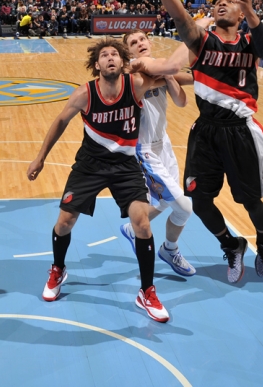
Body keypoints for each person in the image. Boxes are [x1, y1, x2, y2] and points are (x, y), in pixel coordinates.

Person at [142, 0, 263, 283]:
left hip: (241, 131)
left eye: (230, 1)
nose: (222, 3)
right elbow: (181, 19)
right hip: (205, 132)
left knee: (250, 201)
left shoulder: (249, 42)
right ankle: (232, 245)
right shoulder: (202, 41)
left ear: (242, 12)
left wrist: (251, 10)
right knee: (199, 201)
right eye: (219, 2)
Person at [27, 38, 170, 323]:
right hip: (90, 165)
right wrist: (40, 158)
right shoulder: (85, 93)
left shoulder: (136, 85)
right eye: (104, 55)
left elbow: (172, 73)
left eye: (114, 54)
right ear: (97, 65)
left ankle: (146, 291)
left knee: (142, 223)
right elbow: (60, 121)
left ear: (122, 62)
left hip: (125, 165)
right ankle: (58, 269)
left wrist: (201, 75)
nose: (110, 58)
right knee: (64, 222)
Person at [119, 29, 196, 276]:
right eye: (133, 42)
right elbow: (162, 70)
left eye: (142, 39)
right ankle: (169, 248)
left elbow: (182, 102)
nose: (140, 43)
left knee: (164, 201)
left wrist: (171, 76)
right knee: (184, 208)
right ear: (128, 51)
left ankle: (135, 230)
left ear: (150, 42)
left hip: (164, 144)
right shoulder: (131, 71)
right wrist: (172, 71)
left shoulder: (161, 69)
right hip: (144, 150)